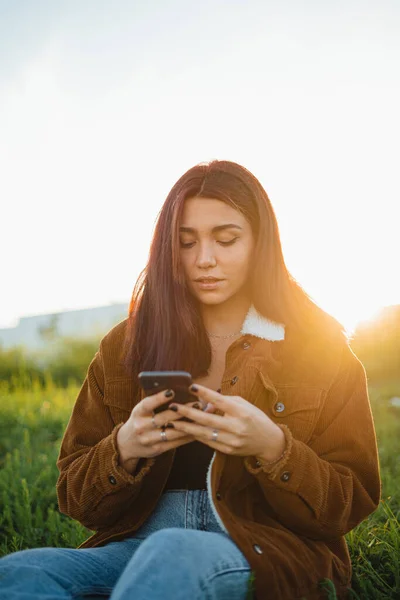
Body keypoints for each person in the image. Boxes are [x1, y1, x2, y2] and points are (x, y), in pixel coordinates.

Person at [0, 160, 381, 600]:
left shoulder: (319, 345)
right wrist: (124, 448)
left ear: (261, 243)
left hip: (263, 548)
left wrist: (272, 447)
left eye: (226, 239)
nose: (204, 259)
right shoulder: (124, 345)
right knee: (21, 571)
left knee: (175, 553)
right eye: (186, 242)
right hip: (139, 546)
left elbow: (348, 503)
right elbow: (75, 498)